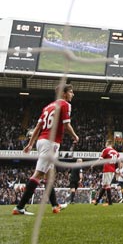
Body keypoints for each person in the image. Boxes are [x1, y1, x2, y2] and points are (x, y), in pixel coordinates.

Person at [12, 84, 79, 215]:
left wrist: (30, 144)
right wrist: (75, 136)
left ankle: (55, 205)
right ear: (64, 93)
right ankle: (19, 207)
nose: (73, 94)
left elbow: (38, 127)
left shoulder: (48, 107)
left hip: (41, 141)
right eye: (71, 92)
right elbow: (66, 125)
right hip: (51, 143)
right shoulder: (65, 105)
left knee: (49, 175)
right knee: (38, 174)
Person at [91, 139, 120, 206]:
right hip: (112, 170)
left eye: (106, 143)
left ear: (108, 143)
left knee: (107, 185)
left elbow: (100, 159)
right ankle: (97, 201)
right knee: (104, 185)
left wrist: (93, 164)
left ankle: (110, 202)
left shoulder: (106, 150)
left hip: (107, 169)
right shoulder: (116, 152)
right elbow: (119, 161)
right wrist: (118, 170)